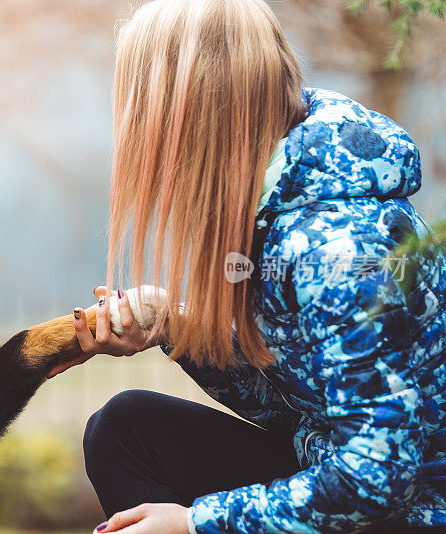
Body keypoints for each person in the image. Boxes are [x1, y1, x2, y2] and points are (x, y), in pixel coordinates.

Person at [51, 0, 446, 532]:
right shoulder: (282, 199)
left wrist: (197, 523)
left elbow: (377, 476)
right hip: (345, 477)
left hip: (414, 511)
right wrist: (174, 328)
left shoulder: (338, 251)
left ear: (191, 109)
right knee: (126, 428)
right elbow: (299, 412)